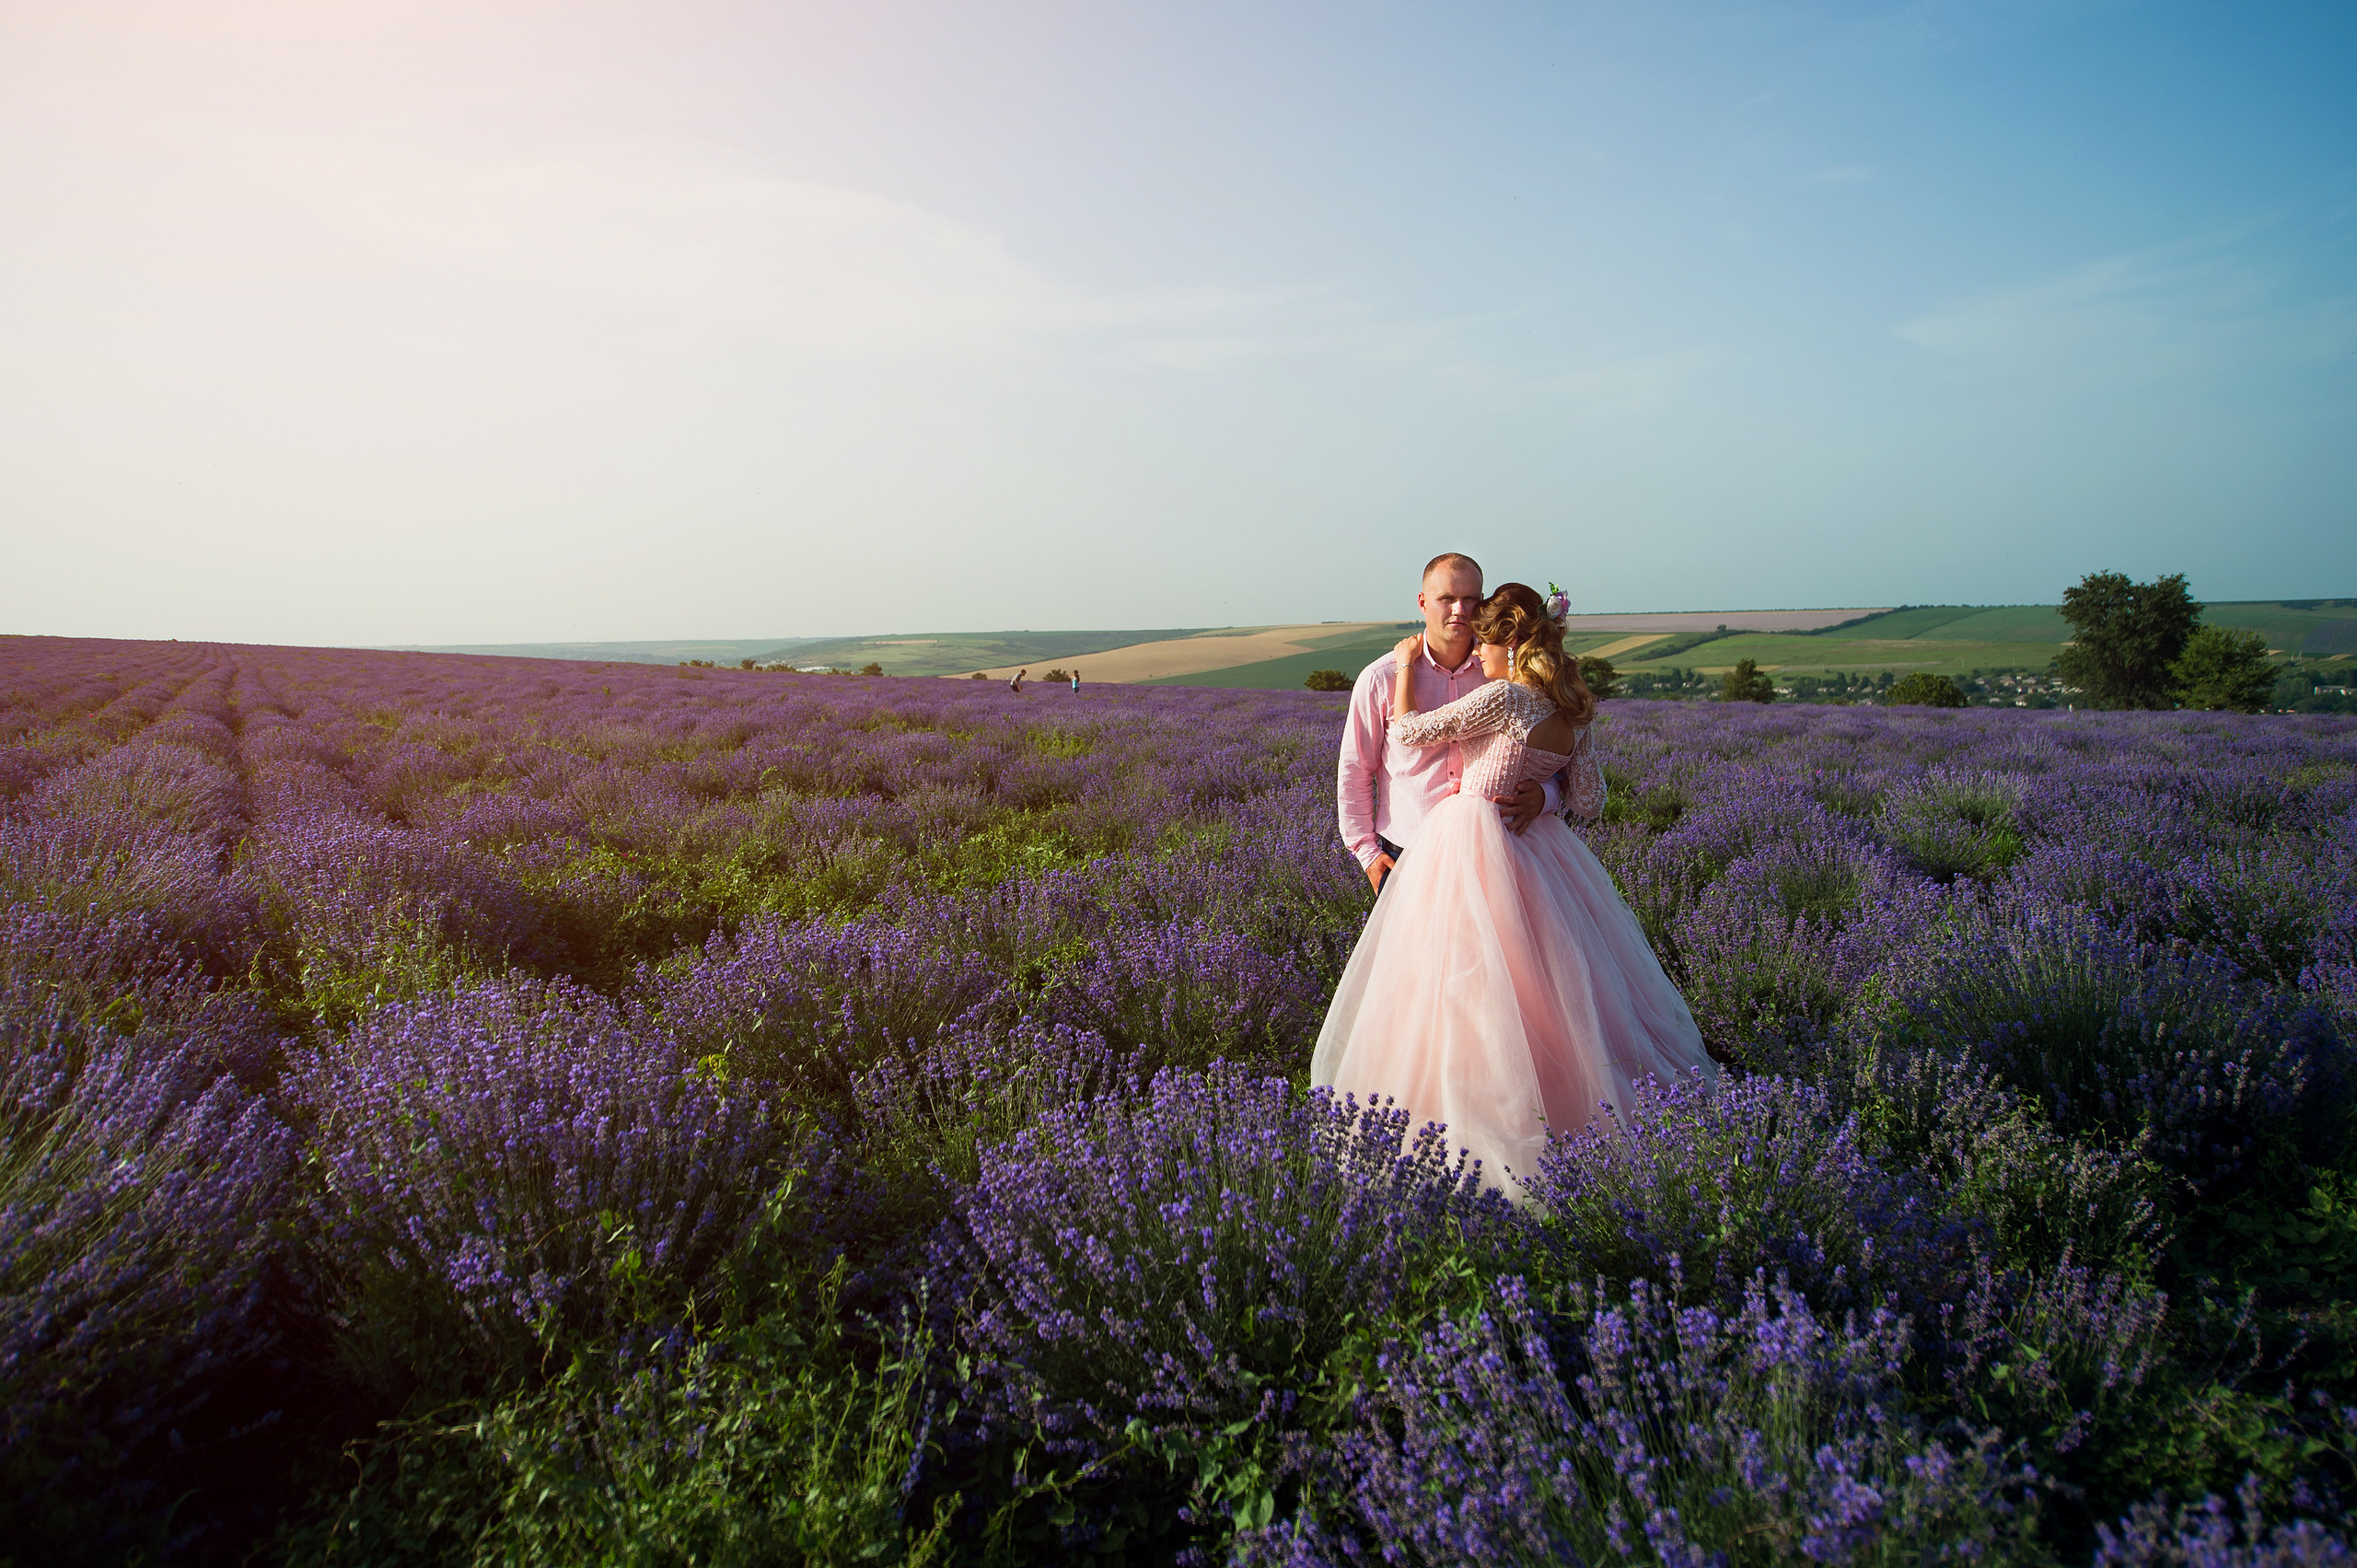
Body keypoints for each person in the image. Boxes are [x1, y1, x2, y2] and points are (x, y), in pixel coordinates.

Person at [1313, 581, 1714, 1191]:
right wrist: (1545, 793)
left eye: (1487, 642)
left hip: (1469, 845)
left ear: (1513, 644)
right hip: (1540, 852)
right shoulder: (1574, 709)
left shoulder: (1503, 697)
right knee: (1551, 985)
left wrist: (1403, 666)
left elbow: (1408, 732)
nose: (1479, 653)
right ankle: (1577, 1112)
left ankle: (1472, 1113)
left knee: (1463, 986)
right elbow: (1590, 799)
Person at [1338, 553, 1557, 894]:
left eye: (1470, 599)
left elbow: (1550, 757)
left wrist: (1546, 796)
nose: (1460, 610)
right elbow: (1355, 769)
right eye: (1447, 598)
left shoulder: (1504, 672)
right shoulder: (1381, 678)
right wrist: (1367, 852)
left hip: (1493, 854)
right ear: (1423, 602)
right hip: (1407, 852)